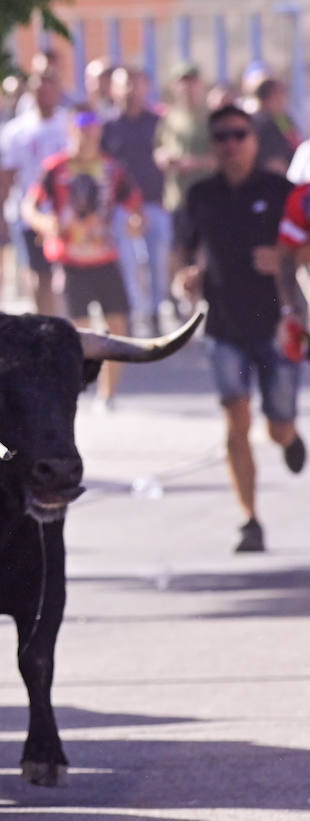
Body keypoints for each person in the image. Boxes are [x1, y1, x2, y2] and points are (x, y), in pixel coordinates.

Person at [174, 104, 305, 552]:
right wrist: (186, 277)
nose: (231, 144)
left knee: (277, 424)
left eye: (239, 134)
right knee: (235, 422)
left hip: (275, 325)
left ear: (253, 138)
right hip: (224, 326)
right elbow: (186, 253)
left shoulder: (280, 189)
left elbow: (304, 247)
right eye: (222, 137)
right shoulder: (201, 196)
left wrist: (282, 259)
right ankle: (250, 519)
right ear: (213, 145)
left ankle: (289, 436)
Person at [22, 107, 143, 409]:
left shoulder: (112, 168)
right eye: (82, 124)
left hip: (105, 257)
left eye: (94, 124)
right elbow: (30, 206)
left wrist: (135, 221)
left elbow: (134, 205)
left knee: (118, 326)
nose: (89, 131)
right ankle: (73, 392)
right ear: (70, 129)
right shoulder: (56, 168)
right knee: (79, 333)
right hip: (71, 261)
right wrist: (45, 224)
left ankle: (108, 395)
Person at [0, 68, 72, 315]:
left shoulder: (71, 124)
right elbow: (6, 176)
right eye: (39, 88)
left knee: (68, 276)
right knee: (39, 275)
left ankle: (68, 323)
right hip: (31, 214)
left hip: (68, 214)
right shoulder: (15, 131)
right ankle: (45, 322)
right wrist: (2, 213)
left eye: (50, 86)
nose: (45, 93)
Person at [103, 66, 170, 333]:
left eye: (135, 84)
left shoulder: (158, 123)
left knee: (158, 264)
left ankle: (155, 314)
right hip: (121, 209)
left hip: (155, 203)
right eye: (124, 84)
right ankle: (131, 314)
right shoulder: (107, 126)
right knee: (127, 266)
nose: (130, 90)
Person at [155, 63, 216, 234]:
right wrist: (164, 158)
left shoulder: (212, 117)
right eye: (182, 82)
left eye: (192, 81)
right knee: (178, 253)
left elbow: (223, 157)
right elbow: (159, 148)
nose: (187, 87)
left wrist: (195, 163)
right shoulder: (169, 118)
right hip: (177, 199)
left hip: (208, 198)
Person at [249, 76, 299, 175]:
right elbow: (273, 164)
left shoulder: (284, 119)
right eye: (281, 93)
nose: (284, 99)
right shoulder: (259, 122)